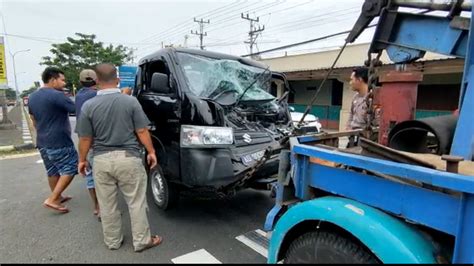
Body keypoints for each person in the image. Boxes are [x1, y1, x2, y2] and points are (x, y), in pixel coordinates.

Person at [77, 63, 163, 252]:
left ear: (97, 81)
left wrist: (82, 160)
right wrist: (151, 152)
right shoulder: (130, 102)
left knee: (107, 205)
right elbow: (141, 130)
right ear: (117, 80)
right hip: (128, 158)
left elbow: (85, 138)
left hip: (100, 160)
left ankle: (113, 241)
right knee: (136, 202)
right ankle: (141, 241)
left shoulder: (88, 106)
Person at [28, 67, 77, 213]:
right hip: (59, 140)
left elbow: (33, 119)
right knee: (70, 167)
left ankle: (58, 196)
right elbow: (76, 109)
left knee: (52, 170)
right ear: (53, 79)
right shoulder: (57, 95)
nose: (64, 83)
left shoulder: (32, 96)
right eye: (62, 80)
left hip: (42, 141)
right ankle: (53, 198)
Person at [75, 69, 100, 218]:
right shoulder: (96, 95)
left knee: (91, 176)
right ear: (96, 81)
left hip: (85, 141)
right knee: (103, 177)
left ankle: (97, 206)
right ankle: (105, 207)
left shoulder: (78, 96)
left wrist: (81, 159)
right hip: (98, 141)